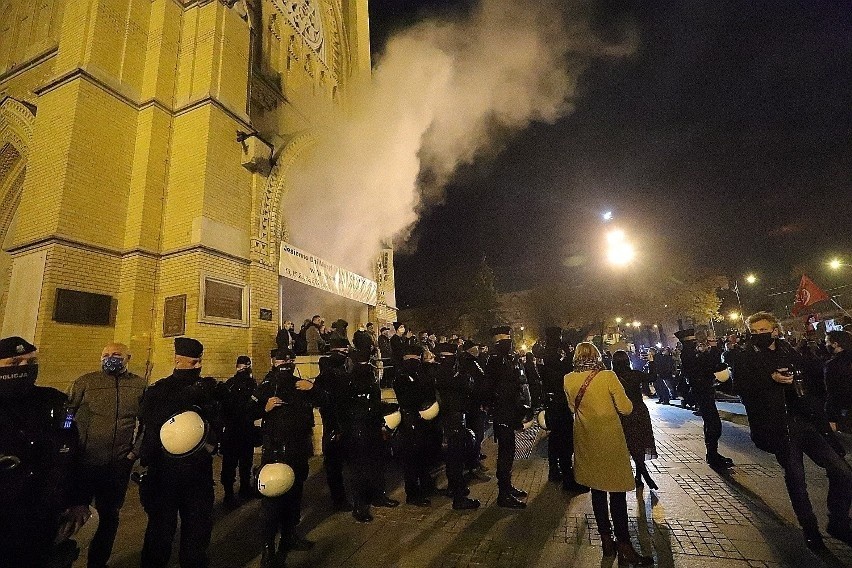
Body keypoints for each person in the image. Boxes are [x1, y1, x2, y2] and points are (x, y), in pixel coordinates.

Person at [728, 312, 852, 551]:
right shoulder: (746, 357)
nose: (759, 336)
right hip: (777, 427)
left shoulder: (790, 351)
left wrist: (825, 411)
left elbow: (815, 378)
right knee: (796, 478)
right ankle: (810, 530)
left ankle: (837, 521)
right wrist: (770, 379)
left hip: (805, 422)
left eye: (764, 330)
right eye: (755, 332)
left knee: (842, 471)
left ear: (775, 330)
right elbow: (740, 388)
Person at [1, 336, 93, 568]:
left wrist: (79, 500)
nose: (25, 367)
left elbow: (75, 452)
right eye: (14, 363)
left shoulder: (55, 401)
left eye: (30, 362)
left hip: (44, 515)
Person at [564, 342, 652, 566]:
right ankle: (624, 545)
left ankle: (606, 542)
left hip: (585, 438)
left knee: (597, 490)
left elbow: (573, 409)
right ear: (596, 356)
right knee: (617, 492)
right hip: (610, 439)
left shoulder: (568, 379)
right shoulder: (608, 376)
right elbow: (626, 408)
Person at [138, 337, 220, 568]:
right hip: (165, 473)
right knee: (160, 532)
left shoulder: (205, 388)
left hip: (198, 473)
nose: (197, 367)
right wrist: (186, 398)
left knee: (198, 531)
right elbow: (151, 421)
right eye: (192, 363)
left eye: (199, 363)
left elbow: (215, 422)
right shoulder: (159, 390)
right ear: (177, 360)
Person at [67, 342, 147, 568]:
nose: (110, 358)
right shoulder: (86, 382)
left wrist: (133, 454)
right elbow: (67, 415)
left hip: (117, 465)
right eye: (105, 355)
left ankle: (98, 562)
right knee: (76, 515)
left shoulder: (139, 386)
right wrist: (70, 449)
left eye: (116, 355)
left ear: (128, 358)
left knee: (109, 517)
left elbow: (146, 425)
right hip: (85, 463)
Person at [253, 347, 322, 567]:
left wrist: (313, 387)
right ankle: (268, 551)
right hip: (275, 452)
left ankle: (289, 537)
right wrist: (265, 407)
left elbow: (325, 400)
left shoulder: (299, 384)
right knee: (272, 503)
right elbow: (246, 411)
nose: (286, 363)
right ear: (273, 361)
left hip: (297, 451)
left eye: (290, 359)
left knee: (294, 499)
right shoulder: (266, 385)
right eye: (282, 359)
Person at [343, 347, 399, 522]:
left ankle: (378, 496)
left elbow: (374, 403)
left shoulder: (371, 378)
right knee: (358, 469)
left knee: (376, 465)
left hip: (371, 427)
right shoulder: (349, 380)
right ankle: (360, 505)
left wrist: (381, 420)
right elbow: (343, 408)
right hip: (356, 429)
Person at [483, 325, 528, 509]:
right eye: (504, 341)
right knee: (505, 453)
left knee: (509, 452)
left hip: (510, 411)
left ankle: (507, 487)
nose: (508, 344)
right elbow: (488, 389)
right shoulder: (495, 361)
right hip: (503, 412)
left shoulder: (508, 359)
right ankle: (503, 494)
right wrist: (496, 404)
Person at [675, 329, 733, 469]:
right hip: (701, 391)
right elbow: (707, 366)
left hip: (704, 390)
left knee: (712, 424)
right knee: (713, 424)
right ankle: (712, 456)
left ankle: (713, 453)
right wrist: (713, 349)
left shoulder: (691, 353)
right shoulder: (689, 354)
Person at [434, 342, 481, 510]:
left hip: (449, 419)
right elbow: (469, 386)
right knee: (456, 459)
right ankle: (459, 497)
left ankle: (455, 489)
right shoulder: (452, 375)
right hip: (454, 419)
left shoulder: (441, 372)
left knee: (452, 459)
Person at [540, 326, 586, 492]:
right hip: (559, 403)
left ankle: (555, 470)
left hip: (553, 401)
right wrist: (568, 355)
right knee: (565, 440)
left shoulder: (546, 353)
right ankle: (568, 479)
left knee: (555, 438)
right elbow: (563, 372)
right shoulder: (551, 354)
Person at [394, 343, 436, 506]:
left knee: (423, 457)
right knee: (411, 460)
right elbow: (409, 398)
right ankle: (413, 494)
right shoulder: (402, 377)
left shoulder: (419, 374)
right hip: (409, 421)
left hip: (422, 420)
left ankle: (426, 486)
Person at [611, 350, 658, 490]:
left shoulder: (613, 377)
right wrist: (651, 362)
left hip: (622, 413)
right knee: (640, 443)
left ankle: (640, 475)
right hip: (639, 412)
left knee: (630, 443)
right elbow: (652, 377)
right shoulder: (635, 374)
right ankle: (642, 475)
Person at [313, 348, 353, 511]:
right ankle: (341, 499)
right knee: (337, 465)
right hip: (337, 426)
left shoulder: (323, 379)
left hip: (332, 426)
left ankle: (339, 498)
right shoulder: (338, 378)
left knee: (334, 465)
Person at [219, 355, 258, 503]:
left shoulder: (230, 384)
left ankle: (230, 493)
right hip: (243, 429)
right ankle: (242, 489)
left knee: (231, 464)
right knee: (243, 463)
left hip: (232, 430)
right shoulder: (250, 384)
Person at [458, 340, 490, 478]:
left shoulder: (473, 362)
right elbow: (475, 386)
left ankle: (474, 461)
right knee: (476, 436)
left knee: (477, 436)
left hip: (476, 405)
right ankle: (473, 465)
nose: (478, 350)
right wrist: (482, 402)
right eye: (476, 347)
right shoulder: (469, 363)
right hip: (475, 406)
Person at [824, 330, 852, 433]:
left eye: (827, 342)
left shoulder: (832, 365)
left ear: (835, 344)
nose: (826, 345)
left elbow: (832, 391)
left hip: (844, 408)